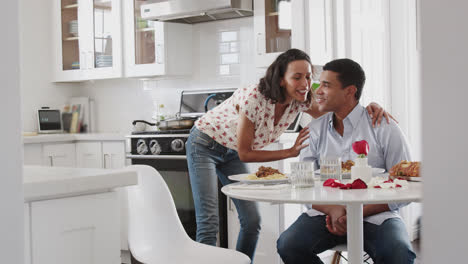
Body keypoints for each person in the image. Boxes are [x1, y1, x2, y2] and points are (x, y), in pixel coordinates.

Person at [186, 49, 391, 262]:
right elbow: (245, 153)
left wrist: (369, 109)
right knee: (209, 221)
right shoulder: (254, 99)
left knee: (252, 221)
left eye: (309, 76)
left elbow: (339, 110)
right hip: (205, 144)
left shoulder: (299, 99)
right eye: (297, 77)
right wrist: (290, 152)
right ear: (281, 80)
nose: (305, 83)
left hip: (232, 150)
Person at [276, 58, 416, 264]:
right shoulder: (314, 130)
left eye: (326, 85)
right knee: (289, 245)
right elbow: (302, 183)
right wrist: (333, 210)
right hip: (326, 215)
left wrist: (356, 212)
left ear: (350, 91)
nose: (318, 91)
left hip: (375, 215)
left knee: (399, 252)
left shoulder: (384, 127)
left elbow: (406, 187)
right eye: (318, 83)